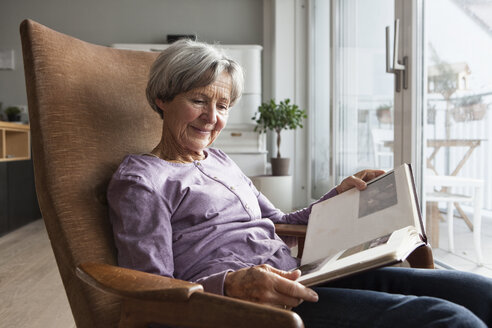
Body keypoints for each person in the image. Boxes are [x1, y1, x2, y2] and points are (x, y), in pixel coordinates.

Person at [107, 39, 492, 328]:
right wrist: (230, 285)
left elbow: (279, 220)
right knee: (446, 320)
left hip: (303, 272)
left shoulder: (220, 160)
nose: (212, 118)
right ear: (162, 98)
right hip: (252, 306)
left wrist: (338, 197)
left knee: (478, 291)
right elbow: (151, 287)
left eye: (222, 106)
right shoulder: (141, 181)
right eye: (198, 100)